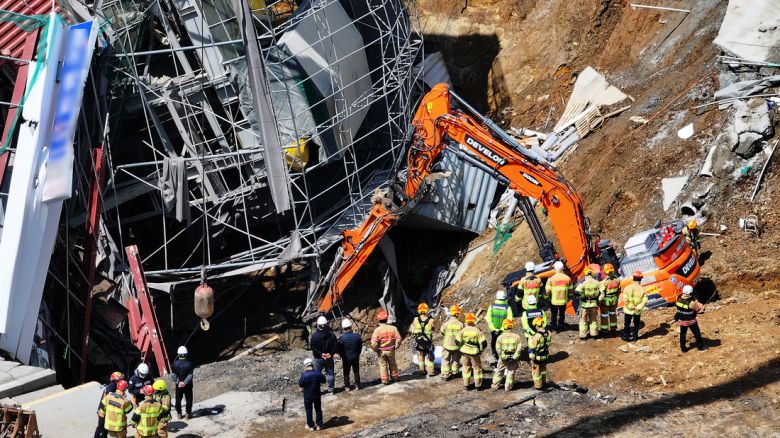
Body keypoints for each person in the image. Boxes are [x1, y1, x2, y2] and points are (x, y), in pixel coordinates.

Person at [456, 313, 487, 390]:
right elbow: (484, 343)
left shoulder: (463, 330)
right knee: (477, 369)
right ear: (474, 320)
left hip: (464, 352)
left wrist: (460, 348)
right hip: (474, 353)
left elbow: (457, 341)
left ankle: (466, 384)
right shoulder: (477, 331)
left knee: (466, 368)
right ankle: (478, 385)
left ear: (466, 320)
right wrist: (480, 351)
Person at [370, 310, 402, 384]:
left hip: (381, 351)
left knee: (383, 365)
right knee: (393, 364)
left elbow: (374, 343)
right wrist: (396, 346)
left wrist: (376, 349)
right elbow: (399, 339)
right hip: (391, 350)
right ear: (387, 319)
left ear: (379, 320)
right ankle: (395, 378)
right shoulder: (393, 328)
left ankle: (385, 380)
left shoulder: (377, 330)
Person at [491, 319, 522, 391]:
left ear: (504, 326)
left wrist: (503, 356)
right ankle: (508, 387)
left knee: (499, 371)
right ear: (512, 326)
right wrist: (514, 357)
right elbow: (519, 348)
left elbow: (498, 349)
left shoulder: (500, 337)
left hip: (503, 358)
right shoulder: (517, 337)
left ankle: (495, 385)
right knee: (511, 372)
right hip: (513, 358)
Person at [309, 315, 337, 394]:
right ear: (326, 324)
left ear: (318, 325)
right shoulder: (332, 335)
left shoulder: (314, 336)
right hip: (329, 358)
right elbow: (335, 346)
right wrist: (330, 354)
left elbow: (313, 348)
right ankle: (331, 390)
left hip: (318, 358)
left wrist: (321, 354)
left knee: (317, 374)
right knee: (330, 373)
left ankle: (317, 391)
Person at [485, 290, 513, 366]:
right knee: (504, 345)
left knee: (494, 344)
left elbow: (489, 319)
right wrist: (501, 329)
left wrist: (494, 329)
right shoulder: (508, 308)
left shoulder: (492, 307)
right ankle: (504, 360)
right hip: (504, 331)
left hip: (494, 331)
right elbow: (509, 320)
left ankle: (496, 358)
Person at [675, 285, 706, 352]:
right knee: (697, 333)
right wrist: (697, 303)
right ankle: (700, 347)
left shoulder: (678, 297)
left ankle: (683, 349)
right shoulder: (691, 303)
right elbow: (698, 309)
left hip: (682, 320)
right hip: (691, 321)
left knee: (682, 334)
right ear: (691, 292)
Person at [298, 358, 326, 431]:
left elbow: (300, 384)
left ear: (305, 366)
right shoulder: (317, 373)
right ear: (312, 365)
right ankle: (319, 425)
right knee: (318, 410)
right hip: (317, 395)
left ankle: (311, 426)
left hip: (307, 396)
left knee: (309, 411)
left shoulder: (304, 375)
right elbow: (324, 380)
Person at [95, 371, 124, 438]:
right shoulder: (110, 389)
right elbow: (110, 401)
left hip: (106, 410)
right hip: (103, 410)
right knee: (101, 427)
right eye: (120, 380)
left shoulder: (114, 386)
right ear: (115, 381)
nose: (121, 382)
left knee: (105, 427)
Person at [410, 303, 436, 377]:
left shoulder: (415, 319)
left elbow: (412, 329)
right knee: (430, 356)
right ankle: (431, 372)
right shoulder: (431, 320)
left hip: (419, 342)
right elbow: (433, 329)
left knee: (420, 356)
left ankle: (422, 371)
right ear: (426, 310)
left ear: (419, 310)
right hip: (428, 342)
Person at [546, 261, 572, 332]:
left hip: (553, 300)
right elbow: (570, 290)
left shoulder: (551, 278)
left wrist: (549, 297)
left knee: (554, 313)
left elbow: (548, 290)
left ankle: (554, 326)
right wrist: (568, 298)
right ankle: (561, 326)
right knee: (562, 313)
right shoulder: (567, 278)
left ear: (555, 268)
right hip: (563, 300)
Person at [575, 267, 601, 340]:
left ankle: (583, 335)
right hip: (593, 305)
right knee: (593, 320)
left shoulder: (583, 283)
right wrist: (598, 301)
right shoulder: (597, 282)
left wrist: (582, 297)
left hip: (584, 305)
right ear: (592, 273)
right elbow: (602, 292)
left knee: (583, 320)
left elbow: (576, 292)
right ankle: (594, 334)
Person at [621, 271, 647, 342]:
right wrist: (638, 307)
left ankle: (626, 336)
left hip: (628, 310)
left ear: (633, 278)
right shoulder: (643, 289)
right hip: (637, 310)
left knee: (627, 323)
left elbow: (625, 299)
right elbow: (645, 300)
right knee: (636, 324)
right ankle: (635, 336)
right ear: (640, 279)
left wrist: (631, 307)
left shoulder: (627, 288)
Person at [440, 305, 464, 380]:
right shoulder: (461, 324)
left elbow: (442, 332)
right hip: (457, 346)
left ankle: (445, 374)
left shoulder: (447, 323)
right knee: (456, 359)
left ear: (451, 313)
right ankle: (455, 372)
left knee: (446, 359)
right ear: (458, 313)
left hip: (447, 345)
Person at [527, 317, 552, 390]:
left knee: (536, 371)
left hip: (537, 357)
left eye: (535, 325)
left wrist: (530, 338)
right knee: (543, 370)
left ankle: (538, 386)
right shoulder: (549, 333)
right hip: (545, 355)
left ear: (537, 325)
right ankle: (544, 383)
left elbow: (532, 347)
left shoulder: (537, 335)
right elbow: (548, 343)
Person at [338, 318, 362, 391]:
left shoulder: (342, 338)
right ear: (350, 326)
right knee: (356, 371)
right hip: (355, 356)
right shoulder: (357, 336)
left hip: (346, 358)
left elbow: (339, 349)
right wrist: (357, 354)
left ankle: (347, 386)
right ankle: (357, 385)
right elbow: (360, 346)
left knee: (346, 372)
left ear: (343, 328)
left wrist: (342, 356)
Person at [171, 346, 194, 419]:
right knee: (189, 399)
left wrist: (179, 382)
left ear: (178, 354)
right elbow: (190, 375)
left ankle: (179, 414)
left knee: (178, 399)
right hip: (188, 385)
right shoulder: (190, 364)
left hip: (179, 385)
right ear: (186, 354)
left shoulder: (174, 364)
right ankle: (188, 413)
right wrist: (185, 382)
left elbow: (173, 376)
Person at [599, 263, 621, 334]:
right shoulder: (617, 280)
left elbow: (602, 294)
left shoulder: (604, 282)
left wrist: (598, 301)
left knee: (604, 315)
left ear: (605, 271)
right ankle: (613, 328)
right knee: (613, 313)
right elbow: (619, 291)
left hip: (605, 301)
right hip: (614, 300)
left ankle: (604, 330)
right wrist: (616, 298)